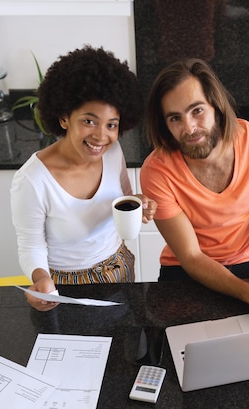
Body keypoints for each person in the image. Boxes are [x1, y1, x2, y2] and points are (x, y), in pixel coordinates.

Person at [140, 58, 249, 321]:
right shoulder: (157, 170)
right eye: (175, 118)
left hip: (246, 261)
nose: (189, 128)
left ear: (216, 105)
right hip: (184, 268)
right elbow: (191, 256)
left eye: (197, 111)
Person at [11, 45, 156, 311]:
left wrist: (138, 203)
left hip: (118, 268)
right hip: (65, 287)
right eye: (89, 121)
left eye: (111, 124)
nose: (102, 136)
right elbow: (30, 244)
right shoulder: (32, 180)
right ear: (65, 117)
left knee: (127, 347)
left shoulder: (113, 153)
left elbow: (122, 198)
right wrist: (41, 279)